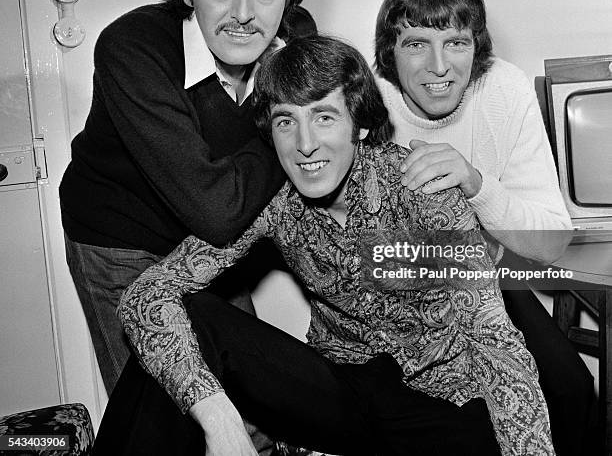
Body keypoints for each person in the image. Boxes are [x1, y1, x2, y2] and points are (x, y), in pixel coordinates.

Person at [94, 36, 554, 456]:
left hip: (441, 399)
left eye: (324, 117)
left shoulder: (422, 191)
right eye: (285, 122)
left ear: (359, 125)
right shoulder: (270, 203)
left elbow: (494, 339)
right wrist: (217, 417)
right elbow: (146, 296)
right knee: (191, 322)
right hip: (341, 392)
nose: (306, 144)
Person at [58, 0, 312, 395]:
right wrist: (285, 137)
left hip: (209, 247)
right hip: (120, 240)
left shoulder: (292, 44)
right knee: (159, 413)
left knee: (247, 398)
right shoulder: (132, 48)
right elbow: (215, 207)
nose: (243, 13)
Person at [373, 0, 593, 455]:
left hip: (487, 281)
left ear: (478, 46)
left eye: (456, 43)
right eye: (416, 44)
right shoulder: (369, 98)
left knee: (571, 390)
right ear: (390, 52)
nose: (439, 67)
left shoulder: (505, 90)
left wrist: (475, 184)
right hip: (393, 294)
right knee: (450, 416)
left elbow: (554, 241)